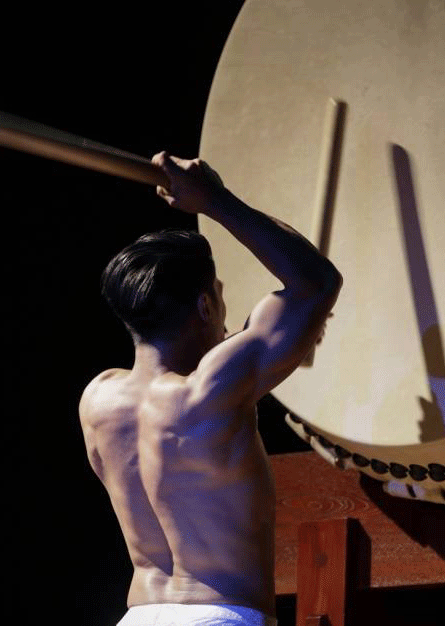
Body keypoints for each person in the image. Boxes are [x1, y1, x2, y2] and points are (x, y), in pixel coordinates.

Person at [79, 152, 342, 626]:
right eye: (220, 294)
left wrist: (260, 342)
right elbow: (316, 282)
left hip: (137, 616)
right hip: (217, 616)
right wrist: (214, 200)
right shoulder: (208, 394)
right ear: (204, 305)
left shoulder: (97, 399)